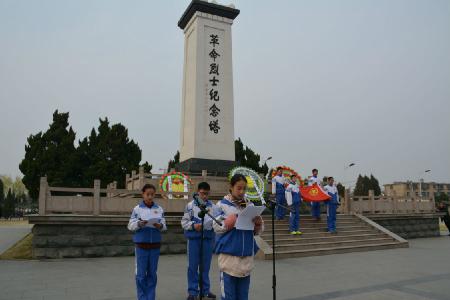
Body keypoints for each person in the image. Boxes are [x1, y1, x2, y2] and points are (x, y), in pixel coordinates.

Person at [213, 174, 264, 300]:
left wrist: (258, 224)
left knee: (243, 296)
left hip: (246, 260)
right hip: (229, 260)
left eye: (244, 189)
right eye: (239, 188)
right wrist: (229, 222)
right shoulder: (221, 205)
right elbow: (216, 226)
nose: (242, 192)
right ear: (231, 187)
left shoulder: (250, 205)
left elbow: (258, 231)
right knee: (229, 297)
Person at [128, 184, 167, 300]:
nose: (150, 197)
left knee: (152, 274)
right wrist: (139, 224)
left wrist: (160, 225)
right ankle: (142, 298)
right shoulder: (137, 209)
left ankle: (151, 297)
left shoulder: (159, 209)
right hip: (141, 246)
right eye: (148, 194)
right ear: (143, 194)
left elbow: (164, 225)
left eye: (152, 194)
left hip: (155, 246)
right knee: (140, 274)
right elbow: (130, 225)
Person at [181, 182, 217, 300]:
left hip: (207, 239)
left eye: (207, 194)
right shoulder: (190, 206)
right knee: (192, 266)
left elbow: (216, 222)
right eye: (202, 193)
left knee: (205, 267)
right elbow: (184, 222)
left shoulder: (213, 207)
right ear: (197, 192)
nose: (204, 196)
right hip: (194, 240)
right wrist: (193, 226)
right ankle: (192, 292)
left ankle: (205, 291)